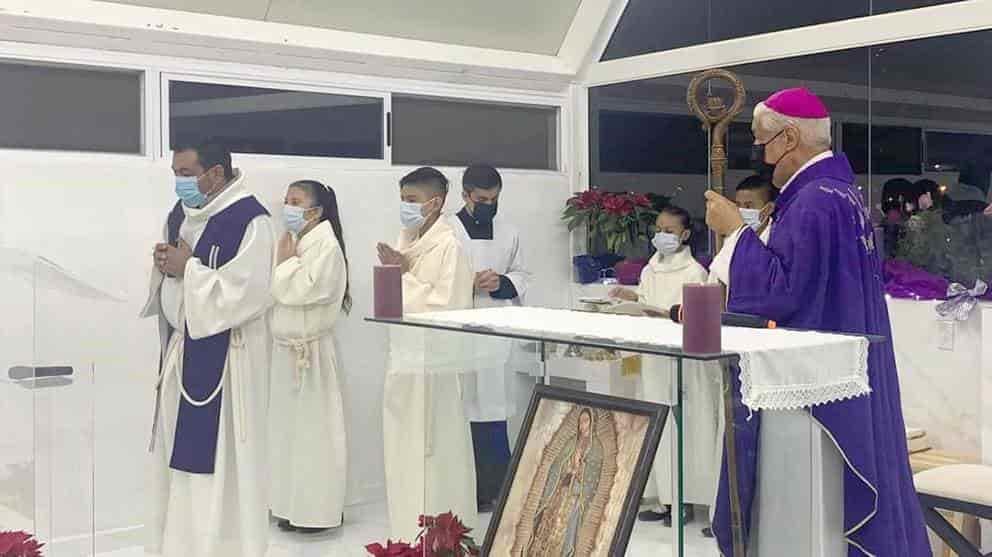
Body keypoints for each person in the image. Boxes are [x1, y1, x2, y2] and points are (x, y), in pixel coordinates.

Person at [705, 87, 930, 556]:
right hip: (839, 368)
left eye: (763, 143)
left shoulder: (813, 202)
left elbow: (782, 295)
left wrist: (736, 232)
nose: (762, 157)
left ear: (789, 138)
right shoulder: (840, 194)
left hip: (812, 393)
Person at [141, 141, 274, 557]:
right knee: (176, 460)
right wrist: (165, 265)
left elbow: (249, 293)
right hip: (182, 352)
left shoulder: (251, 220)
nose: (178, 183)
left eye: (186, 173)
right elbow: (176, 278)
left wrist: (188, 269)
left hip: (229, 362)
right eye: (175, 173)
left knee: (223, 466)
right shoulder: (179, 214)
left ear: (215, 173)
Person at [377, 167, 477, 540]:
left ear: (435, 203)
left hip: (434, 367)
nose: (405, 207)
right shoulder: (405, 239)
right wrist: (392, 274)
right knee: (402, 452)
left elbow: (447, 308)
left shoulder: (450, 246)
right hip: (403, 358)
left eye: (412, 200)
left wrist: (401, 275)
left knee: (435, 457)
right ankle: (405, 533)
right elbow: (388, 305)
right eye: (402, 199)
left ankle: (441, 538)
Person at [609, 206, 720, 533]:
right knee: (655, 424)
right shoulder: (650, 268)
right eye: (658, 229)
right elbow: (646, 299)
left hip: (682, 360)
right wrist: (631, 297)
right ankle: (662, 497)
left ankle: (684, 499)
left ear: (685, 235)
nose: (662, 235)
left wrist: (666, 315)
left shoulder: (695, 272)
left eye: (669, 231)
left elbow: (698, 316)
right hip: (653, 358)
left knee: (684, 429)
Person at [268, 180, 350, 534]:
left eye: (295, 201)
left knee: (315, 436)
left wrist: (286, 265)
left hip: (311, 354)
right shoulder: (296, 240)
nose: (287, 206)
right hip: (287, 351)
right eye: (286, 199)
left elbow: (302, 291)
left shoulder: (326, 247)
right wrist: (286, 263)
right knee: (287, 434)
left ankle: (317, 512)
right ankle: (289, 507)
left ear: (315, 211)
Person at [449, 164, 532, 512]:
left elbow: (523, 274)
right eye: (482, 199)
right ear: (465, 194)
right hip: (456, 331)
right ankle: (462, 489)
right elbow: (433, 277)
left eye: (494, 199)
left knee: (493, 408)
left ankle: (495, 489)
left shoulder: (509, 231)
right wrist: (465, 283)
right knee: (459, 409)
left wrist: (502, 283)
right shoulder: (446, 230)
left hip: (495, 331)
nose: (489, 205)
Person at [733, 174, 777, 239]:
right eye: (738, 205)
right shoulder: (732, 237)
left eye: (748, 206)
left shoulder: (780, 238)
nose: (740, 211)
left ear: (769, 209)